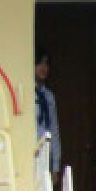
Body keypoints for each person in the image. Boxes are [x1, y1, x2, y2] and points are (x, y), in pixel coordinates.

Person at [34, 47, 60, 183]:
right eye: (39, 63)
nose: (44, 68)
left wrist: (55, 165)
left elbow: (54, 130)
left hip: (45, 156)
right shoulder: (27, 94)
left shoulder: (49, 96)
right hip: (30, 156)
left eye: (46, 63)